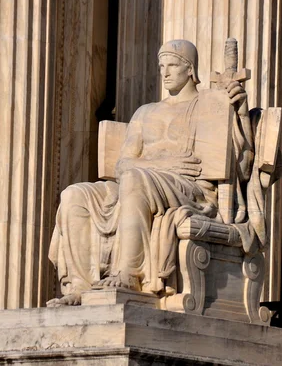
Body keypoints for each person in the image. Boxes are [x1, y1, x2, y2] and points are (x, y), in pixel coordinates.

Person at [47, 40, 254, 307]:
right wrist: (163, 162)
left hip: (190, 191)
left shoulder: (209, 107)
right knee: (75, 194)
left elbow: (241, 161)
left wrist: (241, 113)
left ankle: (129, 275)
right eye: (161, 66)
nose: (164, 72)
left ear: (190, 69)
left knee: (136, 179)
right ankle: (80, 286)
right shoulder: (145, 112)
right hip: (145, 181)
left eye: (172, 65)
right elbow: (123, 165)